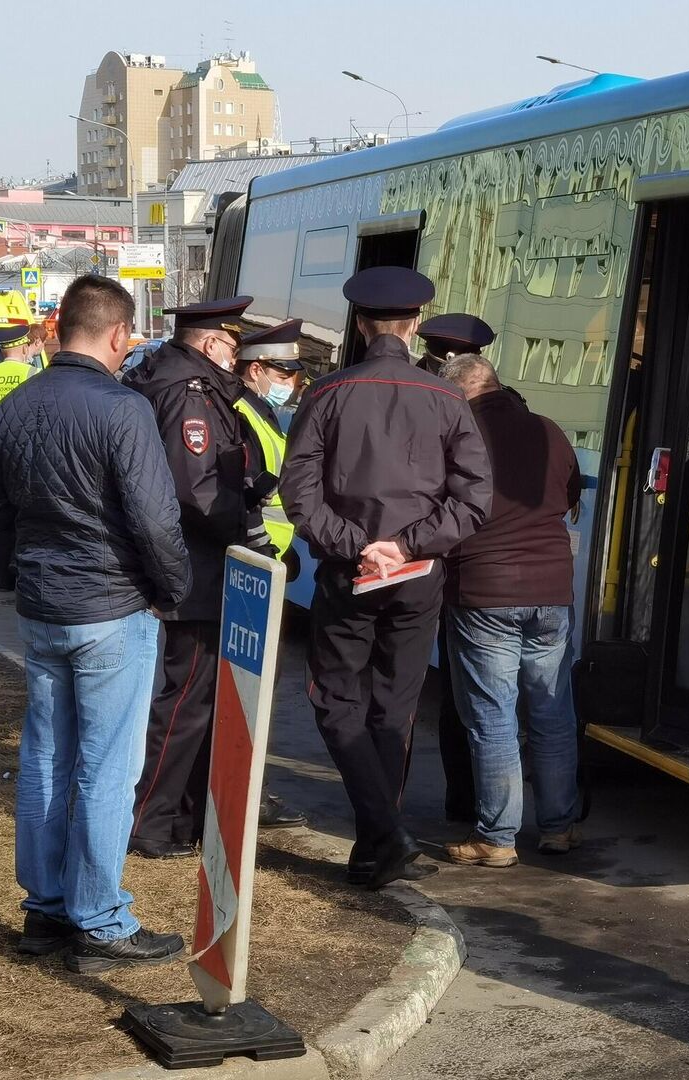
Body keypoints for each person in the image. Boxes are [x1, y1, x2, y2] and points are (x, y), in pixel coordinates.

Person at [0, 274, 192, 972]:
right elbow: (156, 519)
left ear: (59, 328)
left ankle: (45, 910)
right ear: (119, 335)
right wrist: (174, 591)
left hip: (44, 607)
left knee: (47, 758)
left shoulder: (10, 406)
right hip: (110, 608)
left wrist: (16, 577)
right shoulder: (122, 408)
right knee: (106, 769)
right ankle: (99, 919)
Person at [280, 266, 492, 889]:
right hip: (418, 578)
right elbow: (474, 501)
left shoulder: (325, 395)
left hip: (349, 576)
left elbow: (300, 494)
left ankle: (381, 833)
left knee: (335, 700)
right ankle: (380, 840)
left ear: (361, 324)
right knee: (393, 709)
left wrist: (360, 547)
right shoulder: (449, 399)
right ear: (415, 325)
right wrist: (403, 547)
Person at [124, 297, 304, 857]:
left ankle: (182, 820)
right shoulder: (189, 393)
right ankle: (150, 823)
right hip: (196, 569)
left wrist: (247, 492)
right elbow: (195, 490)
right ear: (210, 344)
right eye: (230, 343)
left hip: (201, 564)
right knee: (185, 701)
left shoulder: (192, 384)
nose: (235, 354)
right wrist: (245, 525)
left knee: (201, 699)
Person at [437, 353, 586, 867]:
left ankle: (498, 838)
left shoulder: (455, 433)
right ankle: (560, 827)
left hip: (485, 591)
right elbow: (571, 495)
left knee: (493, 716)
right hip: (552, 591)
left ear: (459, 392)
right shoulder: (547, 429)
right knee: (552, 712)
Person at [415, 312, 499, 822]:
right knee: (472, 694)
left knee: (447, 691)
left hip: (432, 562)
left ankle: (456, 800)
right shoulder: (504, 408)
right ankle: (470, 803)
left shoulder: (422, 403)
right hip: (471, 565)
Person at [233, 317, 306, 558]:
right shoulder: (240, 414)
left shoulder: (261, 410)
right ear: (256, 370)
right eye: (282, 378)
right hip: (257, 547)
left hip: (275, 544)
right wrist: (262, 544)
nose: (288, 387)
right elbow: (244, 490)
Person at [0, 327, 43, 586]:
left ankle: (3, 578)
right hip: (24, 452)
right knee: (24, 511)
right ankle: (23, 567)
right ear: (25, 347)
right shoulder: (33, 374)